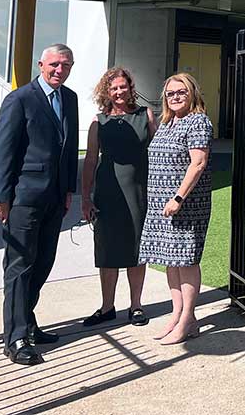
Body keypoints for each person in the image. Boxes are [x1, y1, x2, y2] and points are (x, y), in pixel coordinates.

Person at [0, 43, 78, 366]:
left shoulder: (70, 99)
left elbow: (69, 148)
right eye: (54, 64)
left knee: (43, 263)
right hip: (24, 199)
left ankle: (27, 322)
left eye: (66, 65)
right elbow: (3, 151)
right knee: (19, 267)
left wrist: (69, 188)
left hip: (56, 198)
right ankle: (14, 338)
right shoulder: (19, 99)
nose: (59, 70)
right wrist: (1, 197)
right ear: (41, 64)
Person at [139, 73, 213, 344]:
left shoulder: (198, 121)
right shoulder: (168, 122)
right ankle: (177, 314)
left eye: (181, 91)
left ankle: (188, 320)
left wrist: (178, 198)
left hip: (186, 205)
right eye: (171, 93)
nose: (176, 96)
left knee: (186, 259)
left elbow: (198, 163)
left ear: (192, 92)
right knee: (171, 260)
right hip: (162, 204)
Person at [80, 67, 156, 327]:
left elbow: (157, 154)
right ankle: (107, 306)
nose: (119, 91)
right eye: (113, 88)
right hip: (107, 192)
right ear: (106, 92)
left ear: (130, 87)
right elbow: (90, 160)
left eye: (123, 86)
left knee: (136, 249)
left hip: (138, 190)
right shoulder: (98, 121)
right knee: (107, 249)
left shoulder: (145, 115)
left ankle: (136, 306)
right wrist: (86, 198)